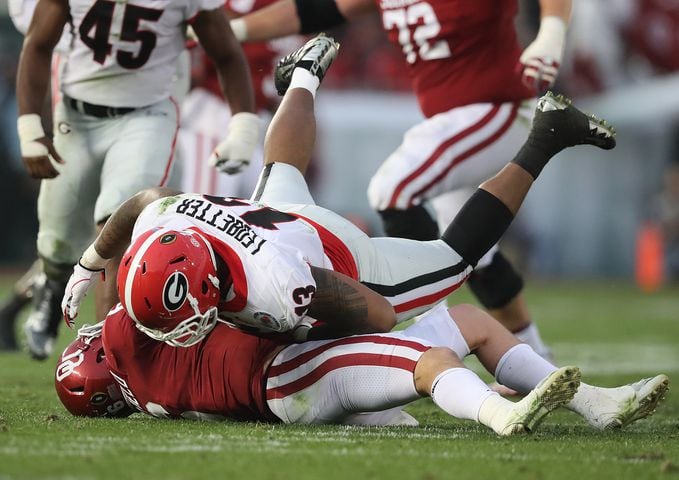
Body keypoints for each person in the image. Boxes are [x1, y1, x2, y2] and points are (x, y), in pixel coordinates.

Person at [61, 34, 615, 348]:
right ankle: (304, 75)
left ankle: (545, 136)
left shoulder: (276, 289)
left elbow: (376, 315)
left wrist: (311, 337)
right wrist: (90, 262)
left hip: (332, 253)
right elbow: (139, 203)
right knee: (280, 165)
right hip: (270, 214)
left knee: (454, 258)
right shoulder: (173, 217)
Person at [228, 0, 572, 360]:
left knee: (393, 189)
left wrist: (552, 31)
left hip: (498, 107)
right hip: (450, 121)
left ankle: (430, 329)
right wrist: (232, 30)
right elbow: (314, 10)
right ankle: (533, 355)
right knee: (471, 250)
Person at [15, 0, 259, 359]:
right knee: (56, 238)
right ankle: (52, 284)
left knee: (117, 224)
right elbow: (37, 44)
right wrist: (31, 128)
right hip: (77, 117)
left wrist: (243, 124)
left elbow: (225, 52)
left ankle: (107, 353)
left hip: (147, 116)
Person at [55, 300, 670, 434]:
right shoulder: (130, 346)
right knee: (430, 360)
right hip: (289, 376)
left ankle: (595, 403)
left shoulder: (150, 376)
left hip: (291, 370)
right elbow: (135, 222)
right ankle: (502, 413)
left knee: (472, 323)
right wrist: (90, 262)